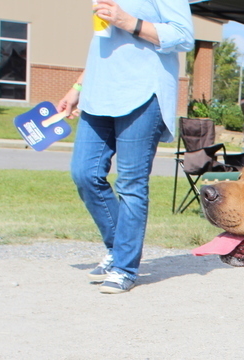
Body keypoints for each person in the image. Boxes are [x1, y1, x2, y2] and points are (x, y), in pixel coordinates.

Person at [58, 0, 194, 294]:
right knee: (84, 173)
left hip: (143, 92)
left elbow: (184, 35)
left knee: (131, 183)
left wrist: (129, 21)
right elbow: (102, 44)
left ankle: (124, 266)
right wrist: (77, 88)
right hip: (98, 91)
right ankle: (118, 249)